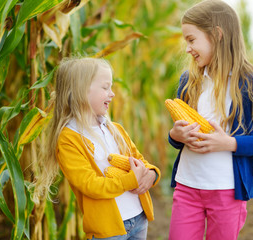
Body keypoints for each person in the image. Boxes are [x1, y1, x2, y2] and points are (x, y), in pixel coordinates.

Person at [168, 1, 253, 239]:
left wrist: (230, 144)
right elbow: (178, 136)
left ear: (217, 35)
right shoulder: (189, 80)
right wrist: (175, 136)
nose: (187, 49)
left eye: (191, 40)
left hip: (227, 191)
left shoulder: (250, 84)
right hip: (187, 186)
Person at [32, 57, 161, 239]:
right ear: (82, 91)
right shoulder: (69, 139)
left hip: (139, 219)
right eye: (105, 87)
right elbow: (90, 185)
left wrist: (151, 174)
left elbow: (139, 160)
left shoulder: (115, 129)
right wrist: (130, 181)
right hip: (108, 230)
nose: (112, 93)